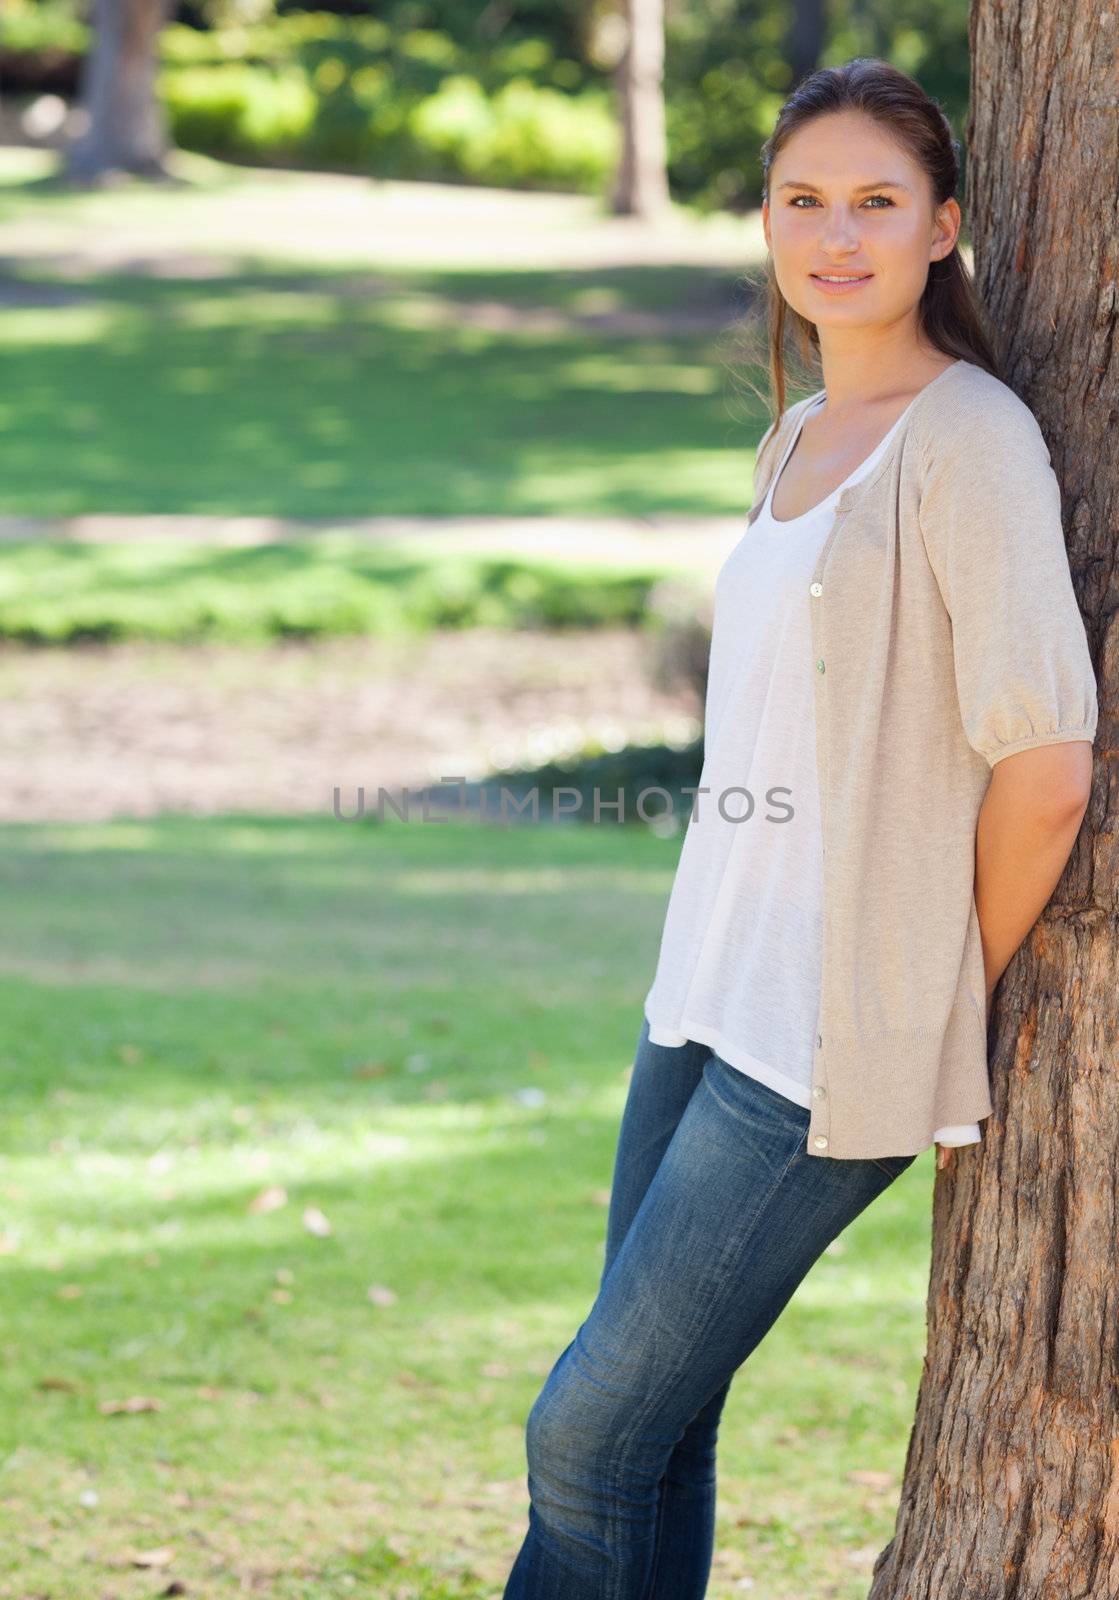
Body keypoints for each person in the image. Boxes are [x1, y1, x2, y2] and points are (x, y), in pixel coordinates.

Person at [501, 57, 1098, 1600]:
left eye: (877, 203)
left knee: (582, 1435)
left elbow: (1046, 764)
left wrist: (915, 995)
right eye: (804, 201)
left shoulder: (967, 440)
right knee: (654, 1433)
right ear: (767, 222)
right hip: (701, 998)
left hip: (820, 1047)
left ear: (945, 226)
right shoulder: (805, 432)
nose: (838, 235)